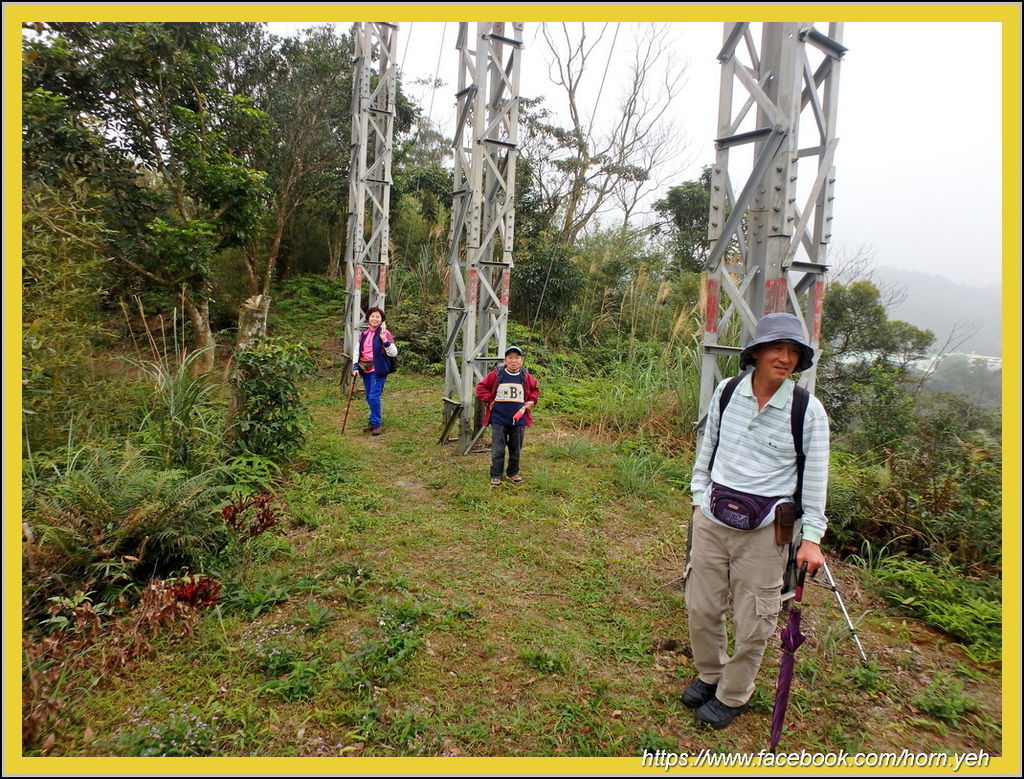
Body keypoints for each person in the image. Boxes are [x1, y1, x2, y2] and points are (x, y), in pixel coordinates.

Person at [683, 312, 830, 729]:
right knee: (702, 606)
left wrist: (812, 538)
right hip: (713, 516)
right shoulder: (728, 392)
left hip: (766, 530)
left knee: (755, 620)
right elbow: (706, 448)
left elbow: (816, 476)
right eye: (777, 348)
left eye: (793, 352)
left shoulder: (807, 410)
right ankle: (710, 675)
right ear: (757, 352)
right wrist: (698, 496)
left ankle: (734, 693)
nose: (784, 358)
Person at [475, 346, 540, 487]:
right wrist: (490, 400)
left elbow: (535, 390)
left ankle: (513, 473)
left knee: (515, 449)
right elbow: (481, 387)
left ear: (522, 360)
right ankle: (496, 475)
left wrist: (531, 401)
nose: (513, 361)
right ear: (505, 360)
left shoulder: (525, 376)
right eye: (510, 358)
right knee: (498, 449)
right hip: (499, 419)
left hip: (519, 420)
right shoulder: (497, 374)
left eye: (517, 358)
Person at [351, 307, 397, 436]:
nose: (375, 319)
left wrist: (385, 341)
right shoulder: (364, 334)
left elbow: (394, 353)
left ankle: (377, 424)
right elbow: (357, 351)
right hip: (365, 369)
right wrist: (355, 367)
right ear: (368, 319)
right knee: (368, 396)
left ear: (381, 319)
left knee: (373, 396)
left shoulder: (384, 333)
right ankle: (373, 421)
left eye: (378, 317)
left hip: (378, 370)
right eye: (372, 316)